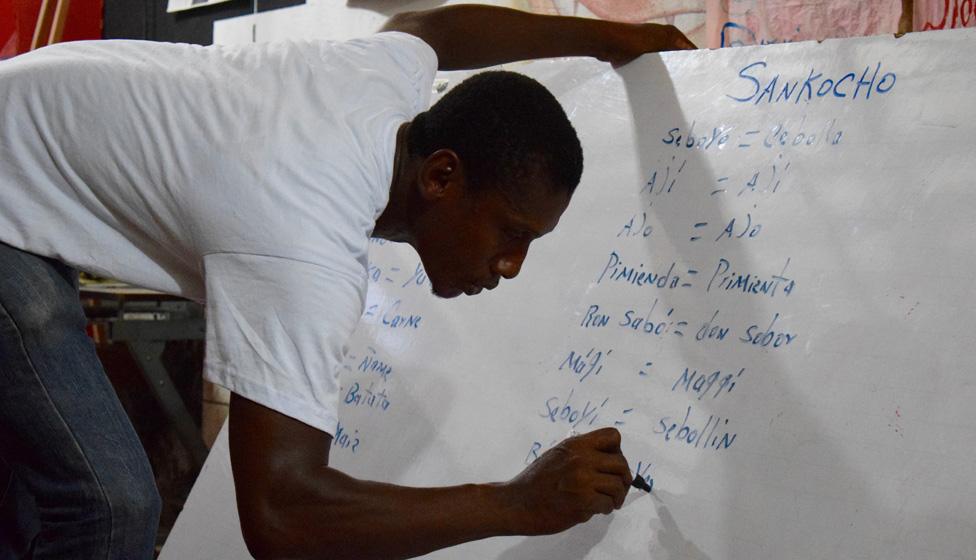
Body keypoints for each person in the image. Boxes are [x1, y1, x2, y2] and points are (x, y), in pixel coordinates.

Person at [0, 5, 694, 559]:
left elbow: (439, 27)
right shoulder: (303, 241)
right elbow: (281, 516)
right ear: (442, 176)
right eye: (510, 233)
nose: (511, 266)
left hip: (19, 147)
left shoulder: (384, 83)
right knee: (109, 502)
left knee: (34, 496)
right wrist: (517, 504)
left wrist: (613, 38)